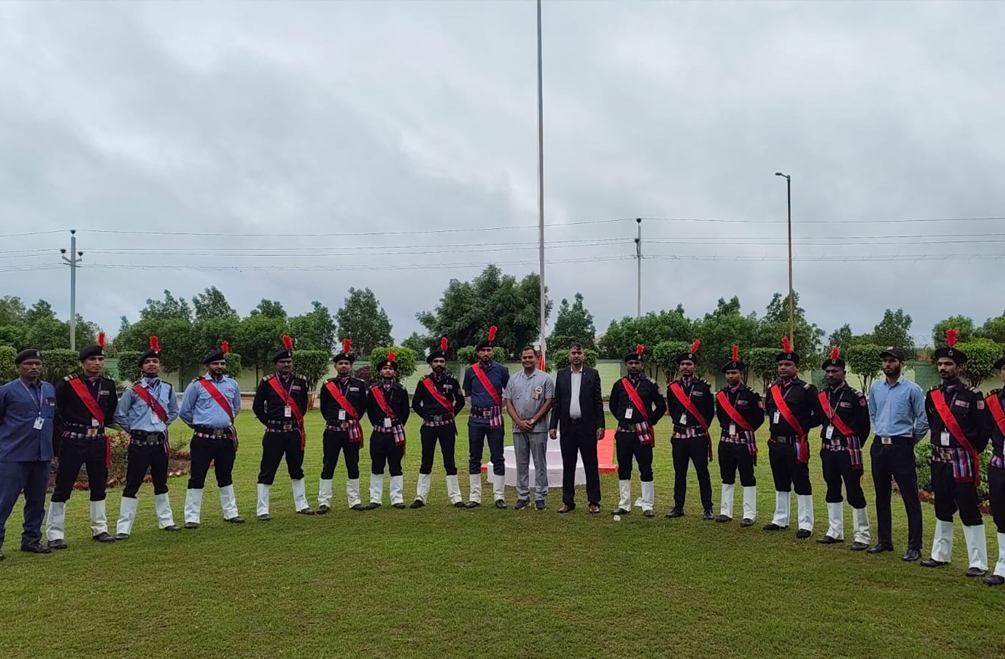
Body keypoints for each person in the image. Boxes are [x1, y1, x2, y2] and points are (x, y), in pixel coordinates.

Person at [920, 330, 988, 577]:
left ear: (958, 367)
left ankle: (978, 562)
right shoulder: (932, 395)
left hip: (962, 461)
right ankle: (940, 554)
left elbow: (982, 431)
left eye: (948, 364)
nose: (943, 368)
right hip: (940, 460)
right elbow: (933, 424)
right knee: (942, 506)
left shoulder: (972, 395)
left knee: (968, 509)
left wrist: (968, 451)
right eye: (940, 364)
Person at [48, 333, 119, 547]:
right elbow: (56, 412)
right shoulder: (68, 384)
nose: (97, 363)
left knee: (99, 484)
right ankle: (55, 534)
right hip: (73, 440)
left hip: (97, 441)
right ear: (83, 362)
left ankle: (100, 529)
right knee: (64, 484)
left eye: (100, 359)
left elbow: (110, 412)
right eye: (92, 359)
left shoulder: (108, 385)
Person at [113, 336, 180, 539]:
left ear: (159, 365)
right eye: (148, 362)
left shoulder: (167, 388)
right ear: (142, 367)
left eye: (155, 361)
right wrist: (134, 430)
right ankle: (124, 527)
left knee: (161, 483)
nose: (152, 364)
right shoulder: (133, 391)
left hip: (159, 443)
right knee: (132, 484)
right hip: (139, 443)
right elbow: (120, 414)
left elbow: (173, 411)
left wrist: (162, 426)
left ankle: (166, 521)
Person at [867, 346, 928, 561]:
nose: (888, 364)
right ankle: (884, 540)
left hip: (902, 445)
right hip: (879, 445)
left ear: (901, 364)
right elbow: (873, 413)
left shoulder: (912, 389)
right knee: (881, 495)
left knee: (910, 497)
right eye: (885, 361)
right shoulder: (876, 388)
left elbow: (923, 420)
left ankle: (914, 546)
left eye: (892, 361)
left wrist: (909, 441)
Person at [179, 342, 244, 528]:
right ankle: (192, 517)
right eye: (215, 364)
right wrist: (201, 425)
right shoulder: (197, 385)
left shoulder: (232, 384)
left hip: (225, 439)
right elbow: (185, 411)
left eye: (222, 363)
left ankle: (231, 512)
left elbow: (236, 407)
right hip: (202, 439)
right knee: (197, 476)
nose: (219, 367)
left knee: (225, 475)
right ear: (208, 365)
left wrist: (223, 421)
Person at [0, 349, 56, 559]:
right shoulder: (7, 391)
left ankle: (31, 540)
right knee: (4, 501)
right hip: (13, 455)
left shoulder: (49, 389)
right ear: (19, 367)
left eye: (37, 364)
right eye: (28, 364)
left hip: (41, 455)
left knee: (37, 501)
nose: (34, 367)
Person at [763, 337, 821, 538]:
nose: (783, 367)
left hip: (796, 444)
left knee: (801, 482)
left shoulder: (806, 390)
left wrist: (803, 428)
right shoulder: (772, 390)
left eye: (787, 364)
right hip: (776, 443)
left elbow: (819, 415)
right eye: (780, 364)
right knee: (780, 480)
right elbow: (770, 412)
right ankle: (781, 519)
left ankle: (805, 523)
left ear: (796, 367)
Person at [815, 348, 872, 549]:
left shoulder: (855, 397)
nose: (831, 374)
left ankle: (862, 535)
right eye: (828, 371)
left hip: (848, 451)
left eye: (835, 371)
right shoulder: (822, 396)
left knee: (854, 490)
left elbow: (864, 427)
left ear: (844, 373)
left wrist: (853, 446)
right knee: (832, 488)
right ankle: (835, 531)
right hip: (828, 450)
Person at [252, 335, 312, 520]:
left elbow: (303, 406)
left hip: (294, 432)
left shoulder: (300, 381)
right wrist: (270, 422)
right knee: (267, 469)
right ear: (276, 364)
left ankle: (302, 504)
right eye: (282, 362)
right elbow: (257, 406)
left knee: (296, 468)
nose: (286, 364)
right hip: (274, 433)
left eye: (289, 362)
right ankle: (262, 509)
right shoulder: (267, 382)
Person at [609, 345, 666, 518]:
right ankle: (624, 504)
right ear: (626, 365)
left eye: (636, 363)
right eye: (630, 363)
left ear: (641, 365)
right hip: (624, 432)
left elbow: (661, 406)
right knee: (624, 468)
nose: (634, 366)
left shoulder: (649, 384)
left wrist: (650, 421)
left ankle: (647, 504)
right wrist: (623, 419)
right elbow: (613, 406)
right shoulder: (619, 385)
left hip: (643, 431)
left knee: (645, 468)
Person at [550, 343, 605, 514]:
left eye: (579, 353)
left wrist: (601, 425)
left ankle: (594, 501)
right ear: (569, 355)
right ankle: (568, 501)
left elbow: (598, 402)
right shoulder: (562, 374)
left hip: (587, 427)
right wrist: (553, 425)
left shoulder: (592, 374)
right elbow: (557, 402)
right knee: (568, 465)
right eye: (573, 353)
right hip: (568, 427)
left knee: (591, 464)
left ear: (584, 355)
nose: (576, 356)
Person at [410, 338, 465, 508]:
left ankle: (455, 497)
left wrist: (450, 415)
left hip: (447, 426)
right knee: (426, 460)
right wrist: (426, 416)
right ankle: (421, 497)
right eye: (435, 361)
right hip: (429, 427)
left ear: (445, 363)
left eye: (441, 361)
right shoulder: (423, 382)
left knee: (449, 460)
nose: (439, 364)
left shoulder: (452, 381)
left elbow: (460, 401)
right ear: (431, 364)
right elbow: (415, 404)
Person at [714, 345, 764, 525]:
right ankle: (725, 511)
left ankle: (749, 514)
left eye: (734, 373)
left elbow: (758, 418)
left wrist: (744, 431)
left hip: (744, 441)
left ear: (741, 374)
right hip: (726, 440)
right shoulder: (721, 395)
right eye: (728, 373)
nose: (730, 376)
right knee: (726, 476)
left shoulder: (750, 394)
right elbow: (721, 416)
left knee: (747, 477)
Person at [666, 340, 715, 520]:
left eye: (689, 364)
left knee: (702, 473)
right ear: (679, 367)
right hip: (679, 437)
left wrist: (699, 427)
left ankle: (708, 508)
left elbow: (709, 412)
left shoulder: (703, 387)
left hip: (697, 437)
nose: (685, 367)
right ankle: (678, 507)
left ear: (694, 366)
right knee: (680, 474)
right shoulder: (673, 388)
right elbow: (673, 411)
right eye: (682, 364)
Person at [463, 326, 510, 508]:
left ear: (493, 352)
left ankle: (499, 496)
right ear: (478, 353)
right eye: (482, 350)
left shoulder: (502, 370)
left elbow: (508, 392)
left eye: (488, 350)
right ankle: (475, 496)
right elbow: (467, 393)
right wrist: (478, 406)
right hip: (476, 419)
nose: (485, 353)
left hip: (495, 418)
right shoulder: (471, 371)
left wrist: (498, 407)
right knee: (474, 457)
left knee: (498, 456)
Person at [318, 339, 368, 512]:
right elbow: (324, 408)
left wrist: (350, 421)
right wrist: (334, 420)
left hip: (351, 431)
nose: (344, 366)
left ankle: (354, 500)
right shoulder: (328, 385)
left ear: (351, 366)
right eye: (340, 363)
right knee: (328, 464)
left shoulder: (359, 385)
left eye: (346, 363)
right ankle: (324, 501)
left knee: (353, 465)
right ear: (335, 366)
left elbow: (362, 407)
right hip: (332, 431)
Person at [503, 346, 555, 511]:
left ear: (536, 358)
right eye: (524, 357)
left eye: (530, 357)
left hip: (538, 428)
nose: (527, 360)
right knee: (521, 463)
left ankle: (540, 496)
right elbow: (508, 403)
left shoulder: (545, 379)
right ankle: (523, 496)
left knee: (540, 463)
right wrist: (519, 422)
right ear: (521, 359)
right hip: (518, 428)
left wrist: (532, 420)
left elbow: (549, 402)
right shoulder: (513, 379)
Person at [365, 352, 410, 509]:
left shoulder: (401, 390)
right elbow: (370, 411)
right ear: (380, 372)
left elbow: (405, 412)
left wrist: (395, 425)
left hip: (395, 432)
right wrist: (379, 424)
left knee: (395, 465)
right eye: (384, 368)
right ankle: (375, 499)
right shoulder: (373, 390)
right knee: (377, 465)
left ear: (394, 372)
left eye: (390, 369)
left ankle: (397, 498)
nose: (387, 371)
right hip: (378, 433)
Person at [983, 349, 1005, 586]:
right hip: (1000, 465)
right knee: (1001, 514)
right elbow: (986, 430)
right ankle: (1002, 565)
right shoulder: (994, 401)